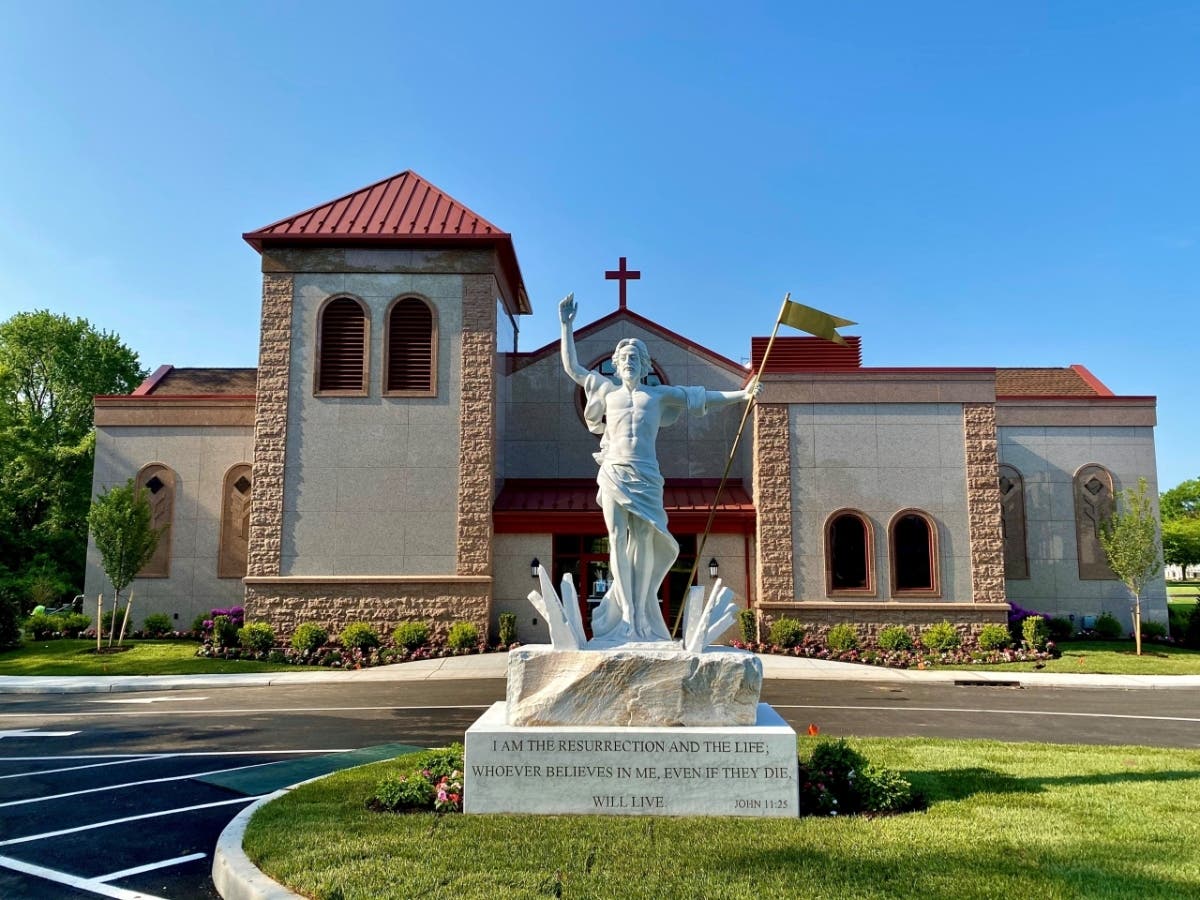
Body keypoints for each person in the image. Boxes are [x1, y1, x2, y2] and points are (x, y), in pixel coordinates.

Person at [559, 293, 759, 644]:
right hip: (615, 472)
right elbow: (574, 369)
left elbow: (700, 396)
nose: (630, 362)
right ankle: (628, 620)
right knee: (618, 540)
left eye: (635, 358)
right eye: (624, 358)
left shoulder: (658, 396)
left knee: (647, 543)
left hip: (647, 476)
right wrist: (566, 325)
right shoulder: (607, 392)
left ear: (645, 365)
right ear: (617, 366)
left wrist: (741, 396)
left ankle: (641, 613)